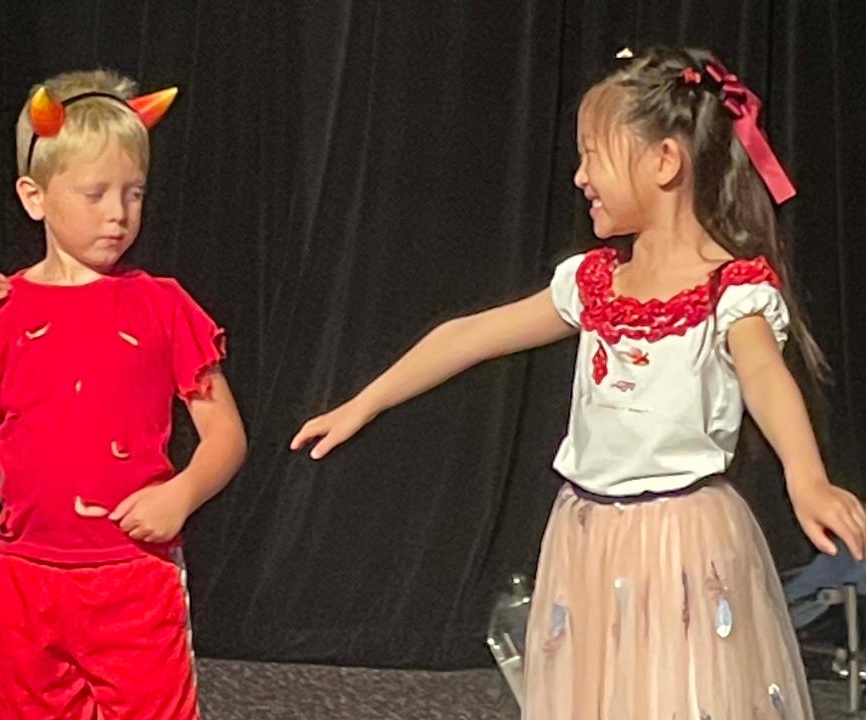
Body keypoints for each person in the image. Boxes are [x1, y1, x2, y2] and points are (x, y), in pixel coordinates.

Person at [291, 47, 866, 718]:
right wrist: (364, 404)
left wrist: (806, 475)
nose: (580, 176)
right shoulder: (592, 284)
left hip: (680, 542)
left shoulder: (728, 290)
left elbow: (764, 373)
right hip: (587, 540)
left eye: (593, 155)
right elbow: (467, 337)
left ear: (664, 162)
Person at [0, 69, 247, 719]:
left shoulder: (163, 306)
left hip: (131, 576)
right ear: (34, 196)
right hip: (26, 580)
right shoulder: (1, 312)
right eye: (94, 193)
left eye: (134, 193)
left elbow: (226, 436)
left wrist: (181, 493)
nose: (118, 213)